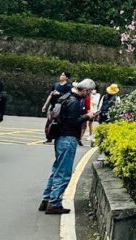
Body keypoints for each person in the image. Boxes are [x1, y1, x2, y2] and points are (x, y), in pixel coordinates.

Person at [40, 78, 98, 214]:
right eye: (88, 92)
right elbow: (73, 122)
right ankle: (54, 203)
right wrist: (87, 116)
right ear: (84, 90)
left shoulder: (65, 97)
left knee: (56, 169)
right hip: (68, 137)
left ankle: (47, 199)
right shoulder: (74, 102)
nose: (89, 95)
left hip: (60, 137)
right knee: (64, 173)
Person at [41, 71, 71, 144]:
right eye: (61, 75)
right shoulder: (56, 85)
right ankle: (49, 138)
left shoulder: (68, 86)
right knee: (49, 122)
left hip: (61, 107)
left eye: (63, 75)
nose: (61, 76)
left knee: (58, 123)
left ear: (66, 77)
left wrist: (59, 93)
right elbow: (50, 95)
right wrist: (45, 105)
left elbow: (69, 96)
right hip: (53, 106)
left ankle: (58, 138)